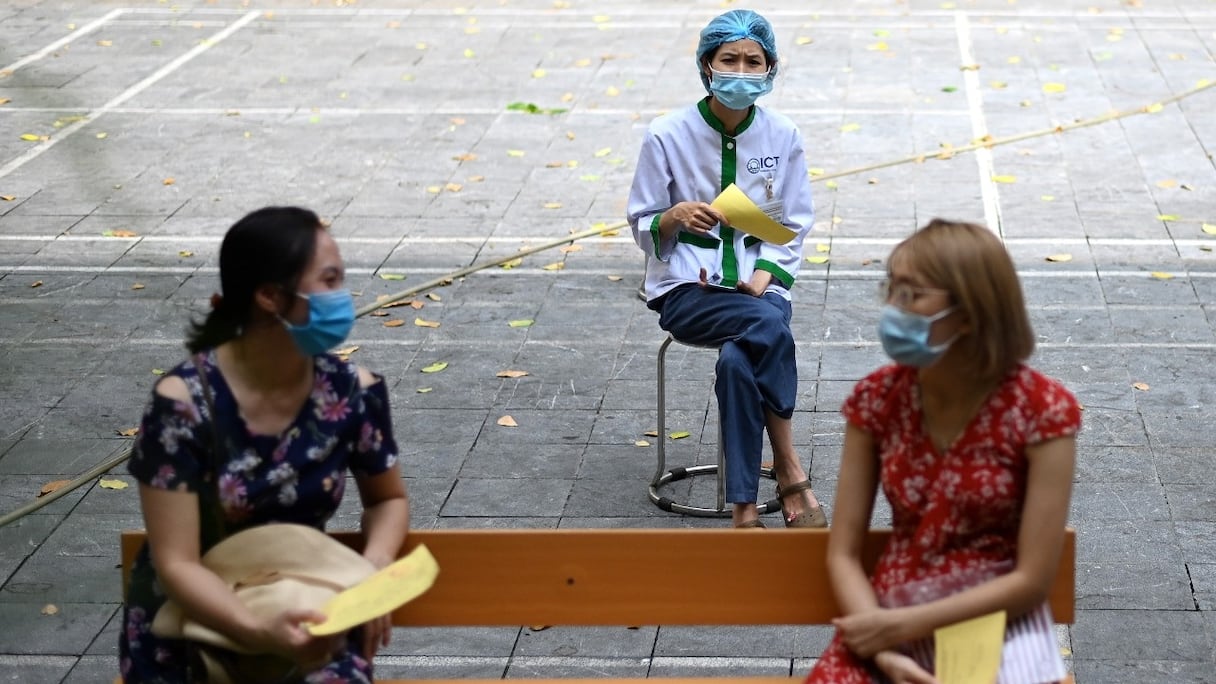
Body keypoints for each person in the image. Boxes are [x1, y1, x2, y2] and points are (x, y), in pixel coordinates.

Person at [119, 207, 409, 683]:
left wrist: (369, 574)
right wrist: (256, 628)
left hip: (307, 610)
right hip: (192, 630)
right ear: (271, 297)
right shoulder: (184, 404)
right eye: (329, 280)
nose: (343, 297)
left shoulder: (353, 391)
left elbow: (388, 499)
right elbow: (176, 562)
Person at [806, 219, 1080, 684]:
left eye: (912, 295)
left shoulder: (1043, 411)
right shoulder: (877, 400)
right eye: (891, 289)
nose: (894, 308)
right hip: (888, 623)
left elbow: (1031, 580)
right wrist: (885, 647)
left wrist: (901, 626)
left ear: (970, 311)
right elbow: (843, 554)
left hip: (996, 628)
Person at [627, 9, 823, 529]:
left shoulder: (783, 135)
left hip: (760, 286)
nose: (741, 70)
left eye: (752, 61)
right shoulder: (666, 134)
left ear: (771, 68)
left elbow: (796, 219)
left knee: (740, 359)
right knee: (766, 325)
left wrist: (770, 274)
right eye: (728, 59)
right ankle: (788, 464)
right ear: (706, 66)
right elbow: (640, 220)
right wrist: (670, 217)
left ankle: (742, 511)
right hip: (690, 291)